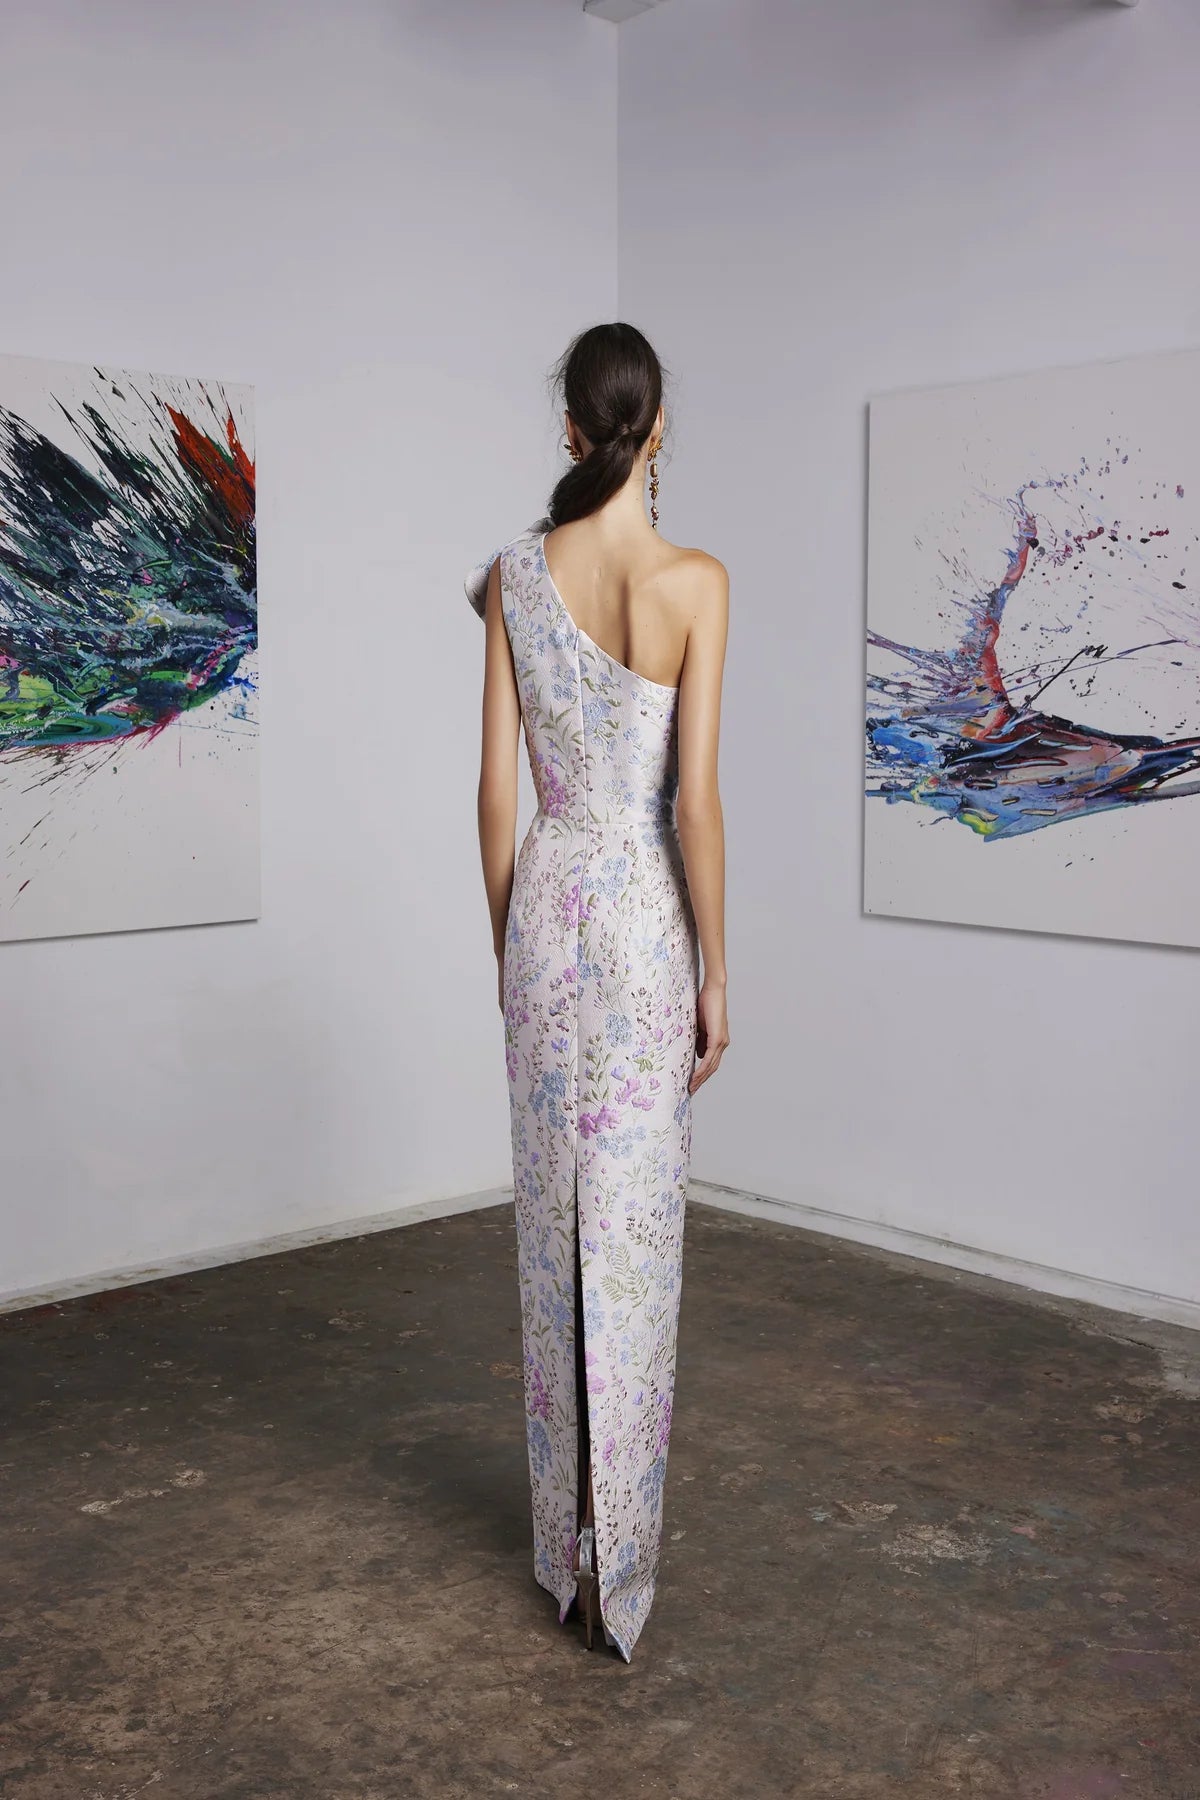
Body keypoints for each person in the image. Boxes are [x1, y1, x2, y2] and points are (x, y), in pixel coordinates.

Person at [465, 321, 729, 1660]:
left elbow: (493, 795)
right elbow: (695, 807)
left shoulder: (513, 578)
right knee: (632, 1232)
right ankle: (615, 1565)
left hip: (548, 904)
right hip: (639, 920)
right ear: (657, 426)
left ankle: (563, 1552)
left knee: (549, 1230)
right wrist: (719, 971)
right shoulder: (695, 583)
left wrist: (511, 944)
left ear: (570, 428)